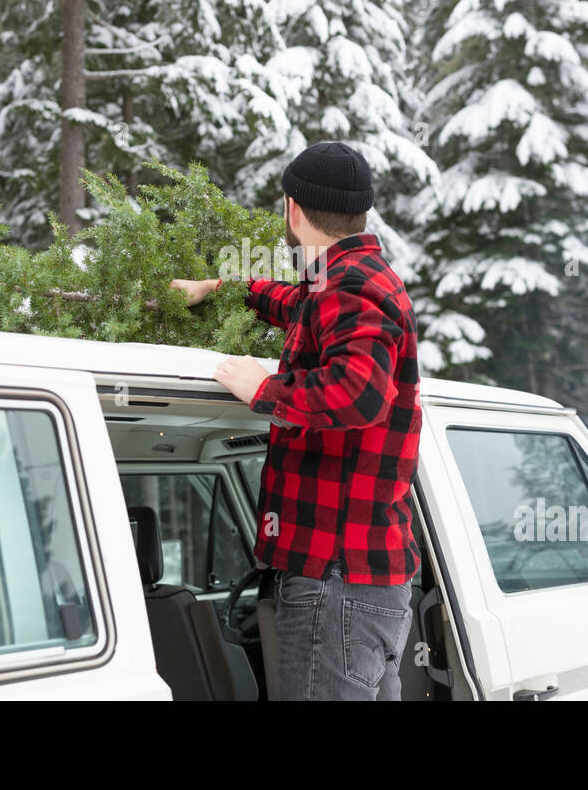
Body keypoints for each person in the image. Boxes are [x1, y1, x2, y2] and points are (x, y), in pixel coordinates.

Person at [169, 141, 422, 700]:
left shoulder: (354, 286)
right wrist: (223, 288)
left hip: (336, 582)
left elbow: (359, 396)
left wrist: (263, 390)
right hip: (360, 581)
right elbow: (300, 305)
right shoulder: (349, 280)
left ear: (293, 209)